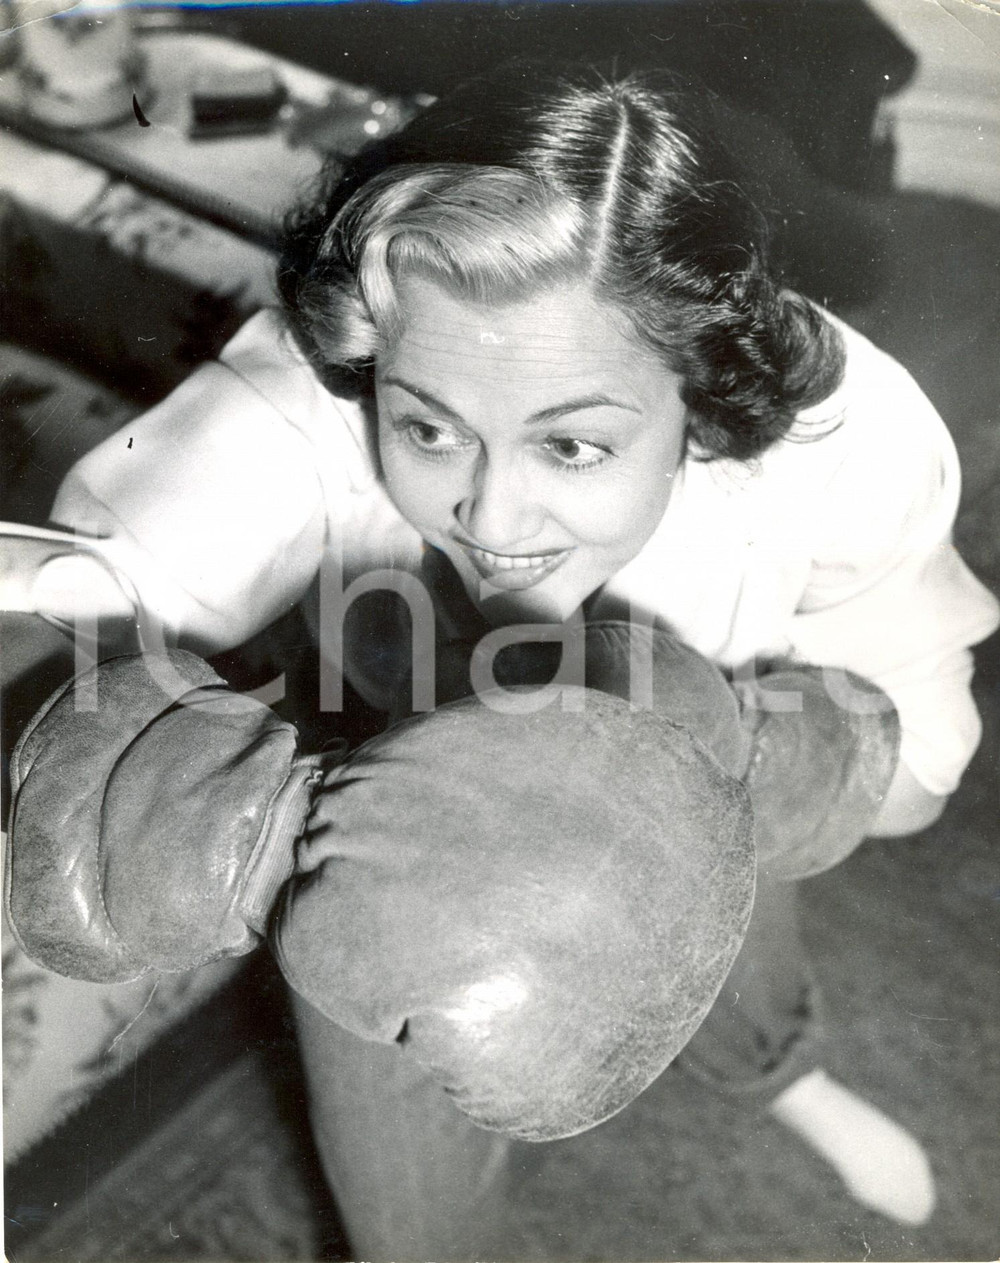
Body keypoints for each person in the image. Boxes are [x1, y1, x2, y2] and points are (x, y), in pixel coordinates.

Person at [19, 62, 1000, 1257]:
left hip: (716, 761)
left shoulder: (841, 440)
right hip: (388, 808)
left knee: (744, 956)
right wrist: (251, 821)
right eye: (429, 428)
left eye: (573, 445)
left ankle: (780, 1077)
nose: (491, 511)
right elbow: (98, 583)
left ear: (700, 398)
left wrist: (761, 758)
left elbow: (921, 754)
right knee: (392, 1143)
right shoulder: (318, 386)